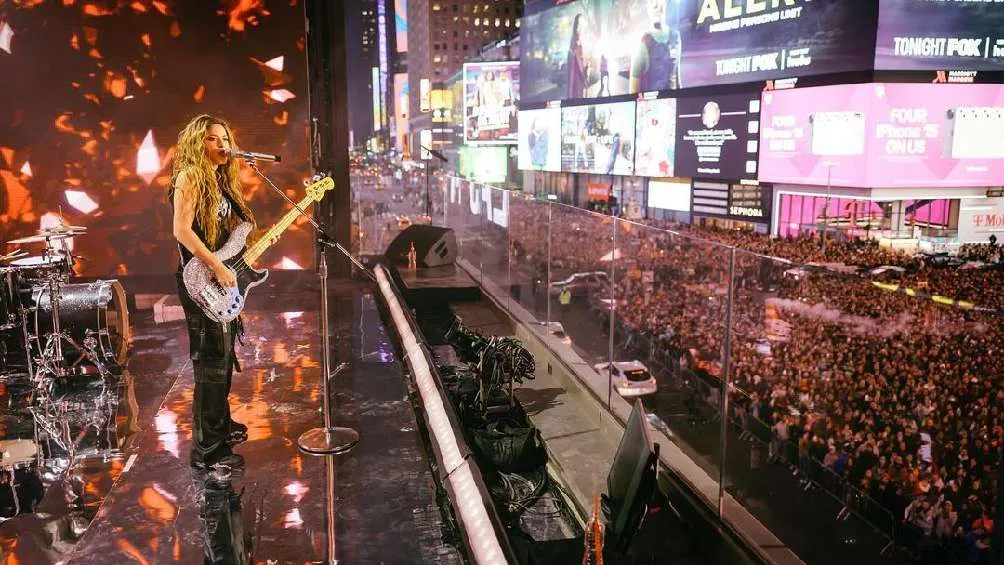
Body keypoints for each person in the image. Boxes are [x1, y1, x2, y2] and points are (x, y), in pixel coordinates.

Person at [170, 114, 255, 475]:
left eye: (225, 138)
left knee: (223, 354)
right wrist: (218, 266)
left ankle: (220, 424)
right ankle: (207, 450)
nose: (222, 145)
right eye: (212, 139)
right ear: (197, 143)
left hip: (218, 275)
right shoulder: (189, 176)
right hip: (200, 279)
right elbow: (181, 230)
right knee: (210, 362)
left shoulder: (219, 180)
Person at [628, 0, 682, 93]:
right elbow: (633, 92)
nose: (655, 5)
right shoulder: (641, 43)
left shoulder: (676, 37)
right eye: (651, 1)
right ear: (647, 6)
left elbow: (677, 79)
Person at [566, 14, 590, 99]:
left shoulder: (584, 41)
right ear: (576, 26)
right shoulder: (575, 43)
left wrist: (587, 66)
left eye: (582, 24)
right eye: (579, 24)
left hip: (583, 81)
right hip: (577, 83)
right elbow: (573, 70)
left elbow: (584, 62)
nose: (581, 28)